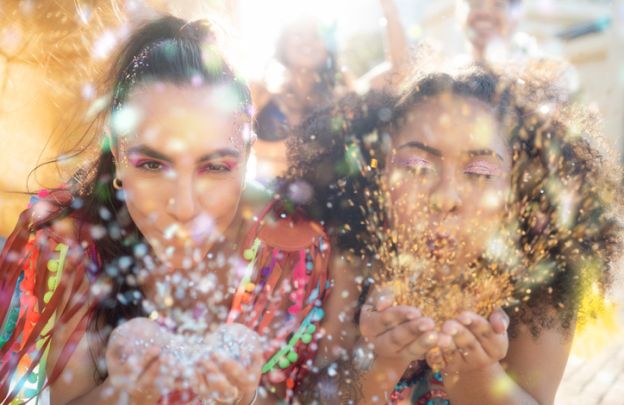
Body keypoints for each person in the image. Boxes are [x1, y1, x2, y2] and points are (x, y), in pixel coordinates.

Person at [0, 15, 331, 404]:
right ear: (117, 155)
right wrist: (123, 395)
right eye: (152, 165)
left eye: (215, 167)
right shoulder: (74, 243)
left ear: (247, 157)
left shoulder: (289, 250)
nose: (185, 208)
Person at [287, 68, 622, 403]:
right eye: (418, 167)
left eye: (479, 172)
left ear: (518, 190)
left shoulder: (542, 276)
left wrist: (476, 373)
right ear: (379, 176)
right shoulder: (357, 258)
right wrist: (382, 361)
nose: (446, 198)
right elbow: (315, 398)